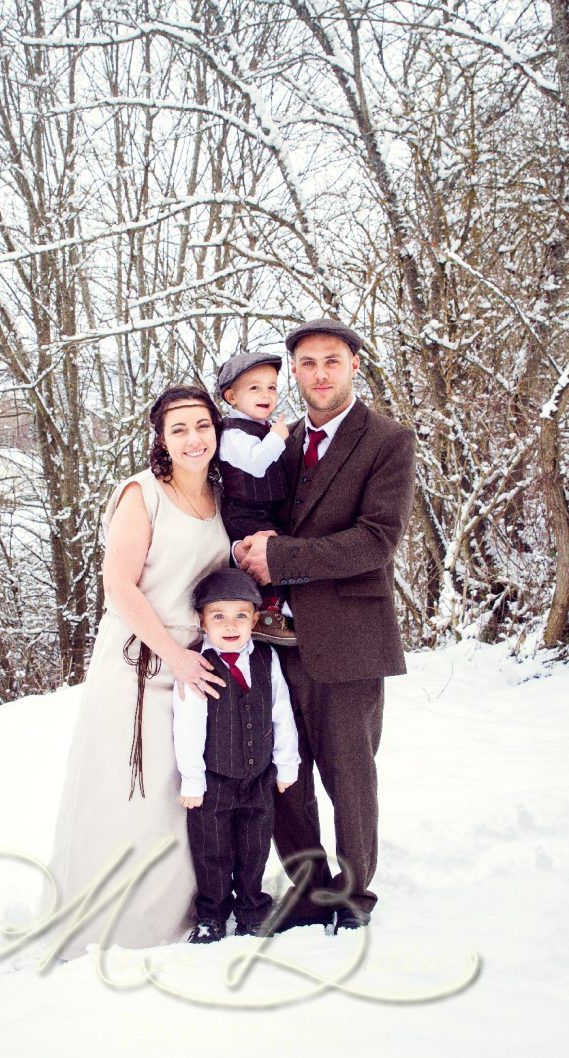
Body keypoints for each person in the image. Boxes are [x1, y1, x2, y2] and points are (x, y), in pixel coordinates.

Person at [238, 318, 416, 933]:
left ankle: (353, 892)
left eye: (332, 361)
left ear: (354, 366)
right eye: (307, 362)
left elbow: (376, 541)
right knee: (285, 772)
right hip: (272, 638)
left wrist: (280, 554)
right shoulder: (279, 443)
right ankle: (308, 891)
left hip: (349, 638)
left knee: (349, 772)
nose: (319, 373)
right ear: (296, 371)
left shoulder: (388, 441)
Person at [41, 386, 231, 958]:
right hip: (138, 660)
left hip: (198, 665)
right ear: (161, 439)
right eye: (179, 429)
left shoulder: (224, 497)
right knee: (129, 795)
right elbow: (118, 586)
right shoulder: (142, 494)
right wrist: (174, 658)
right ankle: (109, 928)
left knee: (181, 795)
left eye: (202, 425)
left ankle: (174, 916)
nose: (194, 438)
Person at [172, 568, 300, 943]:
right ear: (202, 621)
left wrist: (286, 764)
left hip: (258, 779)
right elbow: (188, 727)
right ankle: (211, 915)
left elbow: (281, 712)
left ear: (255, 619)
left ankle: (251, 911)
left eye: (240, 615)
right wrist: (193, 780)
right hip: (213, 783)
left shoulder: (266, 659)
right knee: (212, 852)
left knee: (254, 850)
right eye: (218, 616)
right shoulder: (197, 666)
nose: (230, 625)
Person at [216, 349, 296, 646]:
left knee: (281, 549)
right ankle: (265, 614)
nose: (266, 394)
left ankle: (281, 606)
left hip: (266, 509)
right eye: (255, 388)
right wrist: (278, 436)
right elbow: (256, 463)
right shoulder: (231, 432)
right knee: (262, 555)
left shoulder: (262, 428)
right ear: (231, 397)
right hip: (244, 511)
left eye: (272, 387)